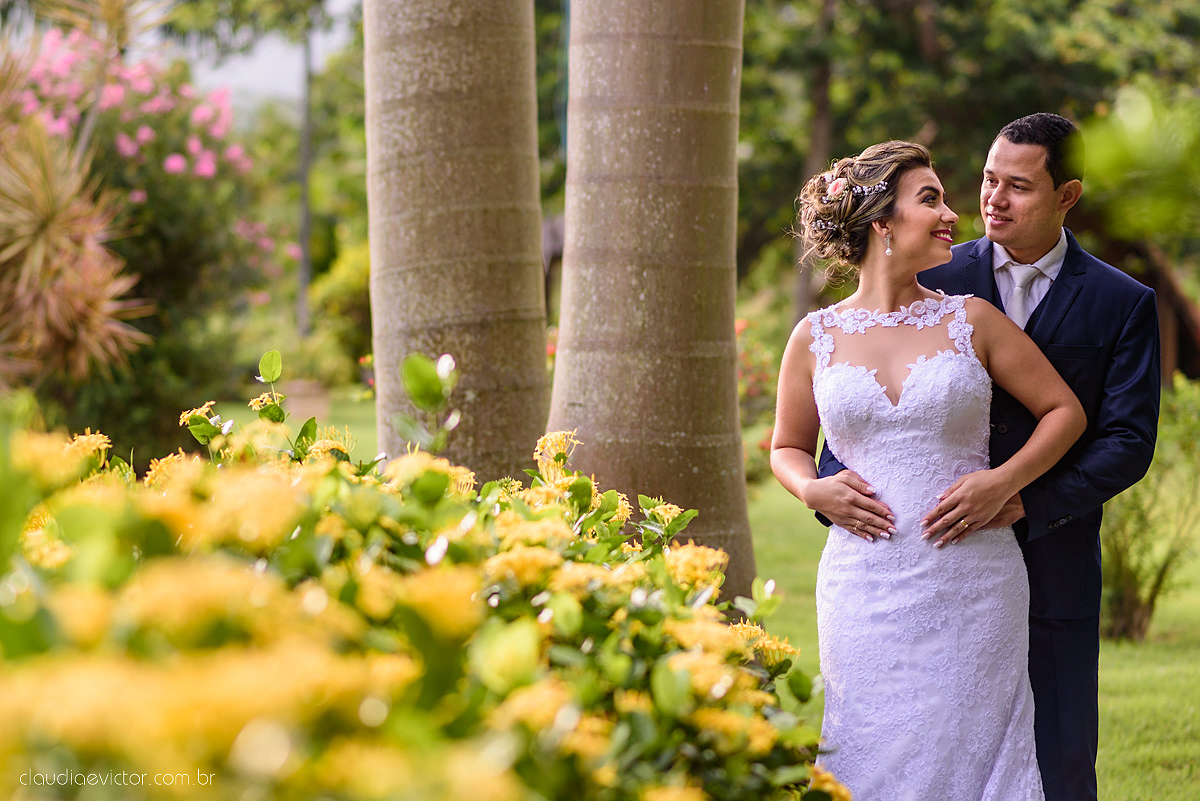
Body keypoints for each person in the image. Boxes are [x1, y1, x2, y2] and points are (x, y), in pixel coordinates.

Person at [812, 114, 1161, 801]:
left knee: (1054, 766)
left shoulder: (1124, 303)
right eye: (987, 179)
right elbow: (852, 418)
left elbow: (1127, 441)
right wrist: (838, 495)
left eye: (1019, 186)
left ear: (1068, 195)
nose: (992, 199)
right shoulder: (937, 267)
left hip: (1052, 559)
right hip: (905, 571)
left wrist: (1022, 495)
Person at [771, 139, 1088, 801]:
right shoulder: (814, 335)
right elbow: (786, 446)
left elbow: (1064, 410)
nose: (953, 214)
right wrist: (812, 486)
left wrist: (1005, 479)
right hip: (863, 586)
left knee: (976, 755)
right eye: (931, 199)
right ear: (882, 223)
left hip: (973, 581)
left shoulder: (971, 321)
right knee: (867, 748)